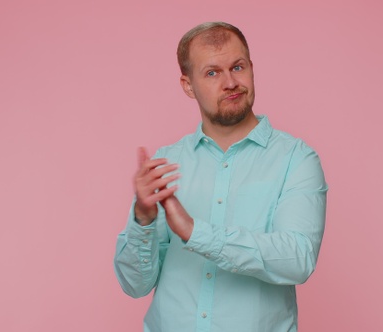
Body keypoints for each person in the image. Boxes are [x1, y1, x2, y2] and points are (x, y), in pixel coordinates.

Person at [114, 22, 328, 332]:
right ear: (188, 86)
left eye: (237, 67)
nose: (230, 82)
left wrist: (194, 232)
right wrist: (143, 218)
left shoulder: (296, 159)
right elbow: (134, 285)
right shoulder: (167, 162)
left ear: (251, 69)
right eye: (212, 73)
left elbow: (298, 259)